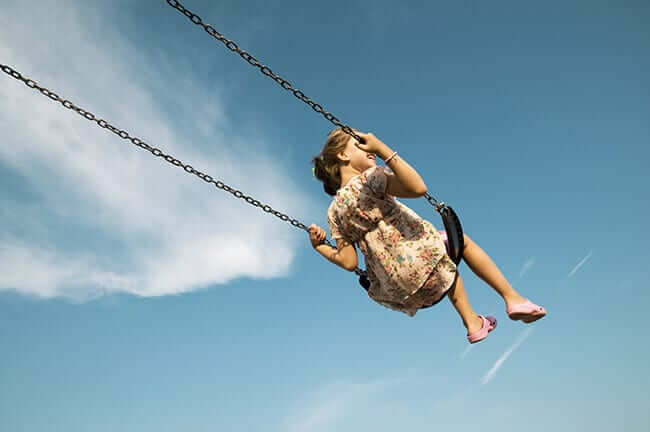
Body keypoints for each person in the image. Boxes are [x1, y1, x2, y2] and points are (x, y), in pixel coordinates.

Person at [309, 128, 546, 344]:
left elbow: (349, 262)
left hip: (396, 288)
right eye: (359, 142)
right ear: (342, 155)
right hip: (419, 255)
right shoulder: (370, 179)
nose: (368, 146)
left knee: (442, 265)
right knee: (459, 244)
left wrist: (320, 247)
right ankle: (512, 298)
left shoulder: (333, 213)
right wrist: (382, 148)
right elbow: (417, 188)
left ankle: (473, 323)